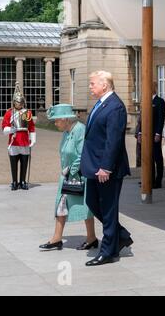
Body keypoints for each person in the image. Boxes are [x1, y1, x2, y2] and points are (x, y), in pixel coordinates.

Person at [80, 70, 133, 266]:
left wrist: (106, 167)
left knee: (108, 210)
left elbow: (114, 140)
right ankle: (121, 235)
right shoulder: (101, 103)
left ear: (104, 84)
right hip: (94, 165)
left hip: (106, 168)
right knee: (92, 202)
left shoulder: (115, 106)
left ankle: (108, 251)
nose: (90, 87)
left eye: (92, 83)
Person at [39, 104, 97, 251]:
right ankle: (57, 238)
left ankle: (91, 238)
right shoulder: (66, 131)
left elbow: (82, 154)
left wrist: (71, 169)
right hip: (67, 176)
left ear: (65, 119)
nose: (55, 123)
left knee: (85, 207)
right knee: (61, 205)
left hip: (79, 175)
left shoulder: (79, 130)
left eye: (57, 120)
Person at [1, 82, 36, 191]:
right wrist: (11, 129)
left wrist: (33, 139)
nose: (19, 104)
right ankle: (14, 181)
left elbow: (31, 127)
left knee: (24, 162)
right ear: (14, 102)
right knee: (14, 163)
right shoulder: (9, 113)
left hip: (24, 141)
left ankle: (23, 181)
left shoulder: (27, 113)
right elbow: (4, 127)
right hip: (14, 141)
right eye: (17, 102)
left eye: (21, 102)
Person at [151, 82, 165, 188]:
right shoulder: (146, 101)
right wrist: (140, 132)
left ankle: (158, 180)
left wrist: (158, 133)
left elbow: (161, 118)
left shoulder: (159, 101)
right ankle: (149, 179)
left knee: (157, 157)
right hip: (147, 134)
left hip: (155, 133)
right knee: (148, 158)